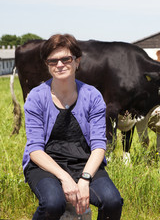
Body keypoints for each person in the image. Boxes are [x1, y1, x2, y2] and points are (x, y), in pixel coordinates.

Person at [22, 34, 123, 219]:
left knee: (112, 201)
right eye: (53, 61)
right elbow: (35, 150)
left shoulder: (92, 96)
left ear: (77, 61)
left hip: (84, 163)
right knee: (53, 203)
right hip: (45, 165)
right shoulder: (36, 98)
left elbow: (99, 145)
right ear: (47, 65)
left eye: (65, 59)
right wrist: (65, 177)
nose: (59, 64)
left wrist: (85, 178)